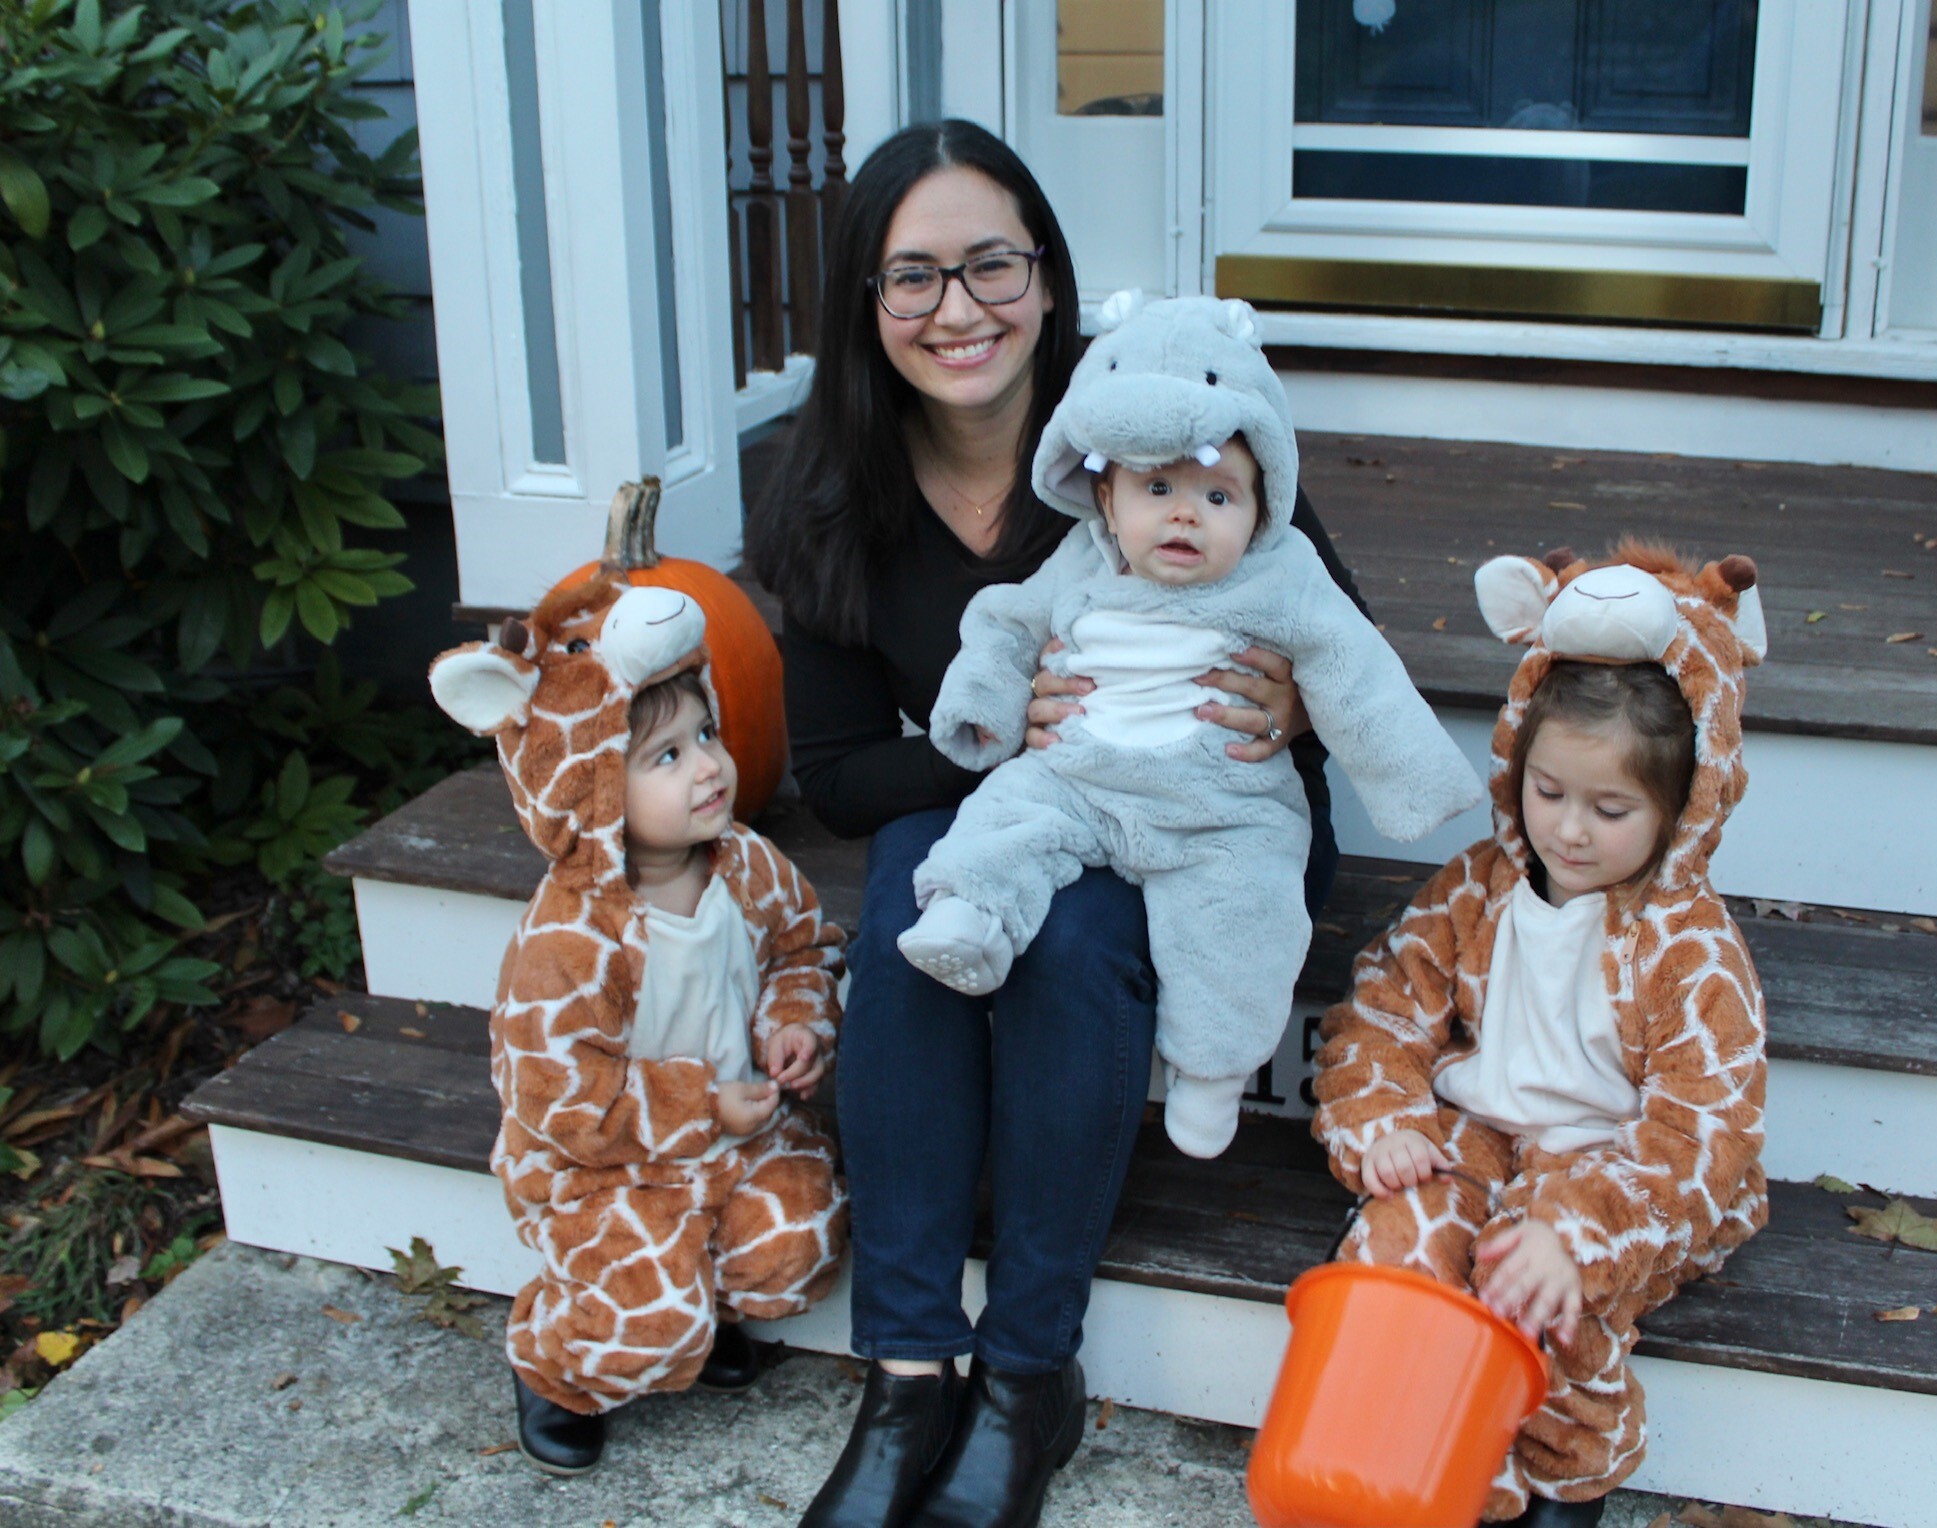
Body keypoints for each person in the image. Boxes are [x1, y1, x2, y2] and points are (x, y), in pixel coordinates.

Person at [746, 121, 1367, 1528]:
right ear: (864, 300)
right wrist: (996, 742)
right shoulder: (829, 495)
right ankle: (907, 1370)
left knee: (1072, 937)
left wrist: (1289, 698)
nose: (957, 311)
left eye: (989, 266)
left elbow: (1339, 641)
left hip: (1211, 823)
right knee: (915, 891)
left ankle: (1028, 1371)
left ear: (1046, 272)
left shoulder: (1147, 410)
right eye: (913, 278)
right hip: (1018, 809)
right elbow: (839, 774)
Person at [899, 293, 1481, 1160]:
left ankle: (1211, 1074)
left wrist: (1411, 778)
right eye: (1158, 488)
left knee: (1244, 915)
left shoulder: (1280, 574)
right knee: (1003, 819)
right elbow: (1006, 624)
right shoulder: (1082, 556)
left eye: (1217, 493)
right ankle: (970, 919)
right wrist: (985, 709)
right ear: (1105, 493)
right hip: (1080, 779)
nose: (1183, 514)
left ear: (1261, 505)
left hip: (1221, 802)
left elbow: (1355, 670)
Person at [1311, 543, 1773, 1526]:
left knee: (1537, 1275)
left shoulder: (1690, 952)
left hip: (1612, 1165)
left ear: (1679, 806)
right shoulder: (1480, 886)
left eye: (1609, 809)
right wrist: (1384, 1114)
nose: (1567, 830)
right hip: (1482, 1134)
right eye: (1549, 792)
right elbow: (1382, 1006)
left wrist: (1577, 1230)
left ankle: (1567, 1468)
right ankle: (1410, 1460)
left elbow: (1704, 1127)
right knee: (1401, 1235)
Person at [427, 577, 847, 1477]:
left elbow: (803, 949)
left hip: (738, 1135)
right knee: (646, 1323)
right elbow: (563, 1104)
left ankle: (711, 1304)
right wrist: (703, 1108)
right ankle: (555, 1368)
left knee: (800, 1241)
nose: (708, 767)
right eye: (664, 757)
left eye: (706, 735)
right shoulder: (573, 939)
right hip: (604, 1167)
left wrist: (795, 1022)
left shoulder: (744, 864)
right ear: (587, 789)